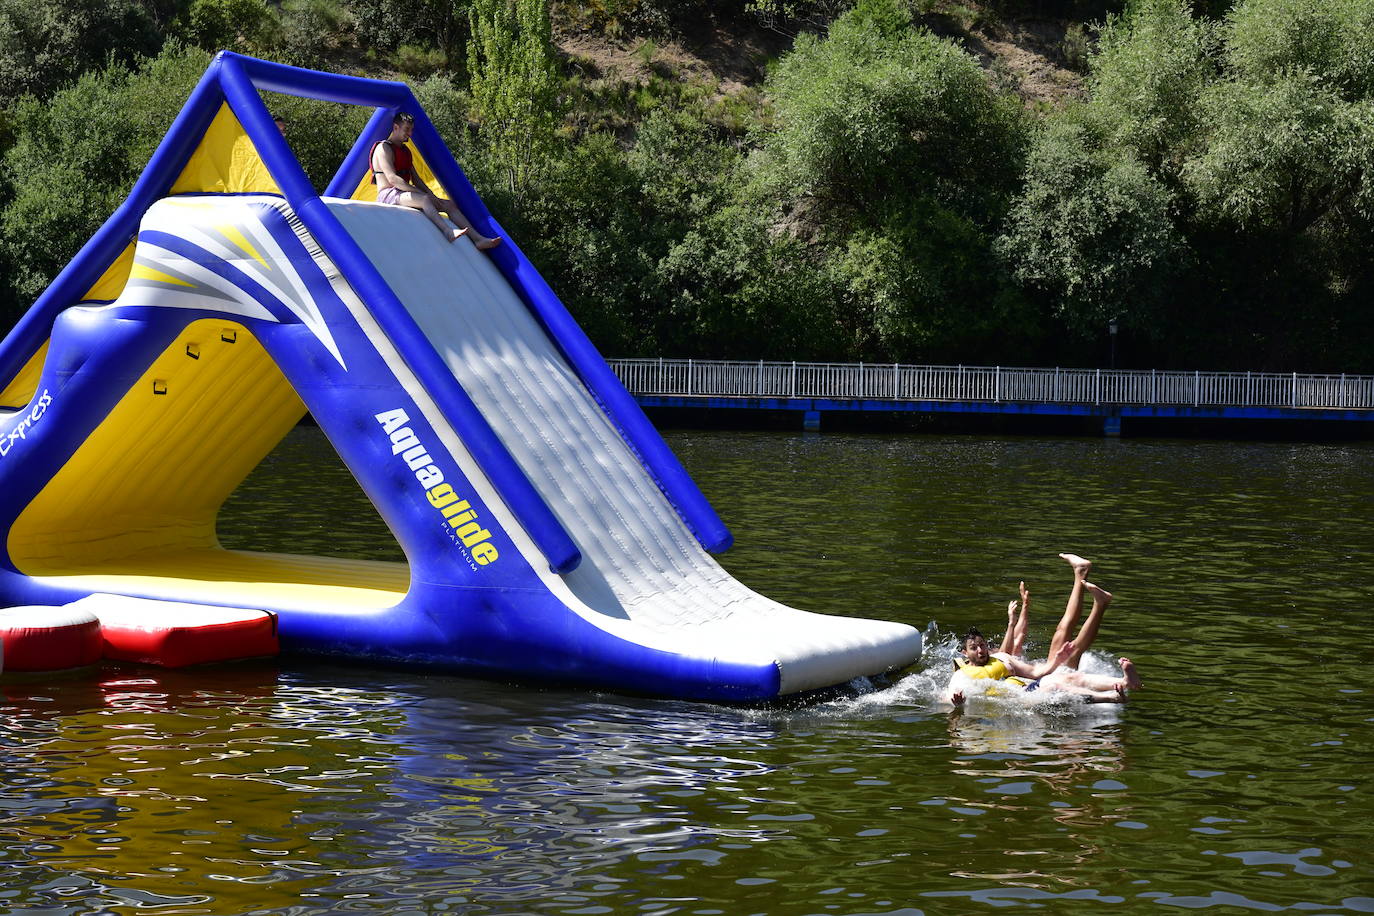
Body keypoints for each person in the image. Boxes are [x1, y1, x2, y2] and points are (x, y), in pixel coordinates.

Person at [947, 553, 1142, 705]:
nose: (981, 650)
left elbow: (1021, 643)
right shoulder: (964, 674)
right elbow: (1016, 640)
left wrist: (1023, 609)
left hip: (1043, 680)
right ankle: (1092, 592)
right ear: (964, 653)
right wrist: (957, 705)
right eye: (975, 648)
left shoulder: (1001, 659)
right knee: (1065, 637)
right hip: (1037, 689)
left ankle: (1088, 586)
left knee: (1064, 638)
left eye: (983, 645)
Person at [370, 112, 501, 249]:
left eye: (411, 130)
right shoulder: (383, 148)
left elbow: (417, 180)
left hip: (404, 194)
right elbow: (393, 179)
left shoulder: (405, 151)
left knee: (449, 205)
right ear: (396, 127)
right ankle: (448, 231)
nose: (410, 133)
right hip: (388, 195)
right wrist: (423, 195)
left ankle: (478, 239)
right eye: (406, 129)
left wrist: (432, 195)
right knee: (424, 200)